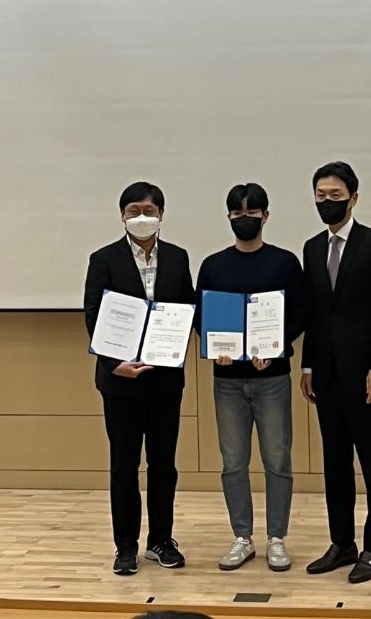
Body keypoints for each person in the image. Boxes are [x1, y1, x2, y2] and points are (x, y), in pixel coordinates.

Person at [84, 181, 195, 576]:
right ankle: (126, 546)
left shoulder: (178, 258)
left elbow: (187, 310)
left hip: (165, 380)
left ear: (161, 215)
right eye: (134, 211)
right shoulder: (103, 259)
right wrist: (113, 363)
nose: (142, 217)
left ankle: (161, 540)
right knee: (124, 464)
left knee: (163, 464)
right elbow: (94, 315)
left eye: (149, 210)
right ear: (122, 216)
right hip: (121, 381)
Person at [196, 183, 305, 572]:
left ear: (266, 216)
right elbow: (201, 317)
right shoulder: (213, 266)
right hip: (227, 380)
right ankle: (242, 537)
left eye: (252, 213)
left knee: (277, 459)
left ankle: (277, 538)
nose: (245, 219)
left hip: (272, 378)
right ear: (228, 217)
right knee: (233, 462)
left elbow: (299, 314)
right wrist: (215, 347)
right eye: (237, 213)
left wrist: (275, 347)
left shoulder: (285, 263)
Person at [301, 161, 371, 584]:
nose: (328, 202)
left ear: (353, 198)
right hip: (325, 375)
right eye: (321, 196)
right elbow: (314, 313)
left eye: (335, 195)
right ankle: (342, 543)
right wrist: (307, 364)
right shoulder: (311, 248)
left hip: (364, 375)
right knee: (335, 462)